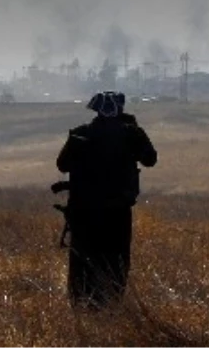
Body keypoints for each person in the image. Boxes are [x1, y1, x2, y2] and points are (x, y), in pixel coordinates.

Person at [55, 91, 157, 308]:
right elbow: (150, 159)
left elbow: (62, 165)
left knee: (82, 260)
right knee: (116, 260)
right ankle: (110, 304)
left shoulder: (81, 134)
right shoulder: (130, 134)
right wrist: (135, 129)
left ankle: (81, 304)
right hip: (116, 211)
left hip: (83, 211)